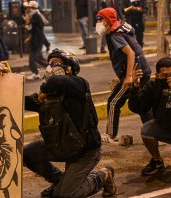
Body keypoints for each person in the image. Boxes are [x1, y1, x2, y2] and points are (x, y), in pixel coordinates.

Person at [24, 48, 117, 197]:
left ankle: (101, 176)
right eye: (49, 63)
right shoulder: (49, 95)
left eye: (55, 63)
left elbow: (55, 81)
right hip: (62, 145)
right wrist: (7, 81)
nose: (50, 67)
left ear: (69, 69)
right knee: (27, 153)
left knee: (65, 196)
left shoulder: (80, 85)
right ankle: (58, 180)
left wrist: (44, 88)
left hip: (85, 150)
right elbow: (21, 101)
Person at [96, 7, 152, 141]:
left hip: (135, 73)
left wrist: (128, 77)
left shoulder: (115, 35)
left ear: (108, 21)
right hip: (141, 70)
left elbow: (130, 53)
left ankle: (110, 135)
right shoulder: (121, 28)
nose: (98, 23)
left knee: (114, 102)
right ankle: (154, 132)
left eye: (100, 19)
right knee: (141, 104)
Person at [23, 1, 47, 80]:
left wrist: (26, 14)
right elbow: (32, 29)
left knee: (32, 59)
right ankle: (50, 67)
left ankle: (36, 73)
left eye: (29, 8)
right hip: (37, 39)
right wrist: (29, 38)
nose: (27, 9)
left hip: (37, 40)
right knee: (37, 58)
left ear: (33, 8)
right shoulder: (35, 15)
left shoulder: (35, 16)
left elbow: (28, 23)